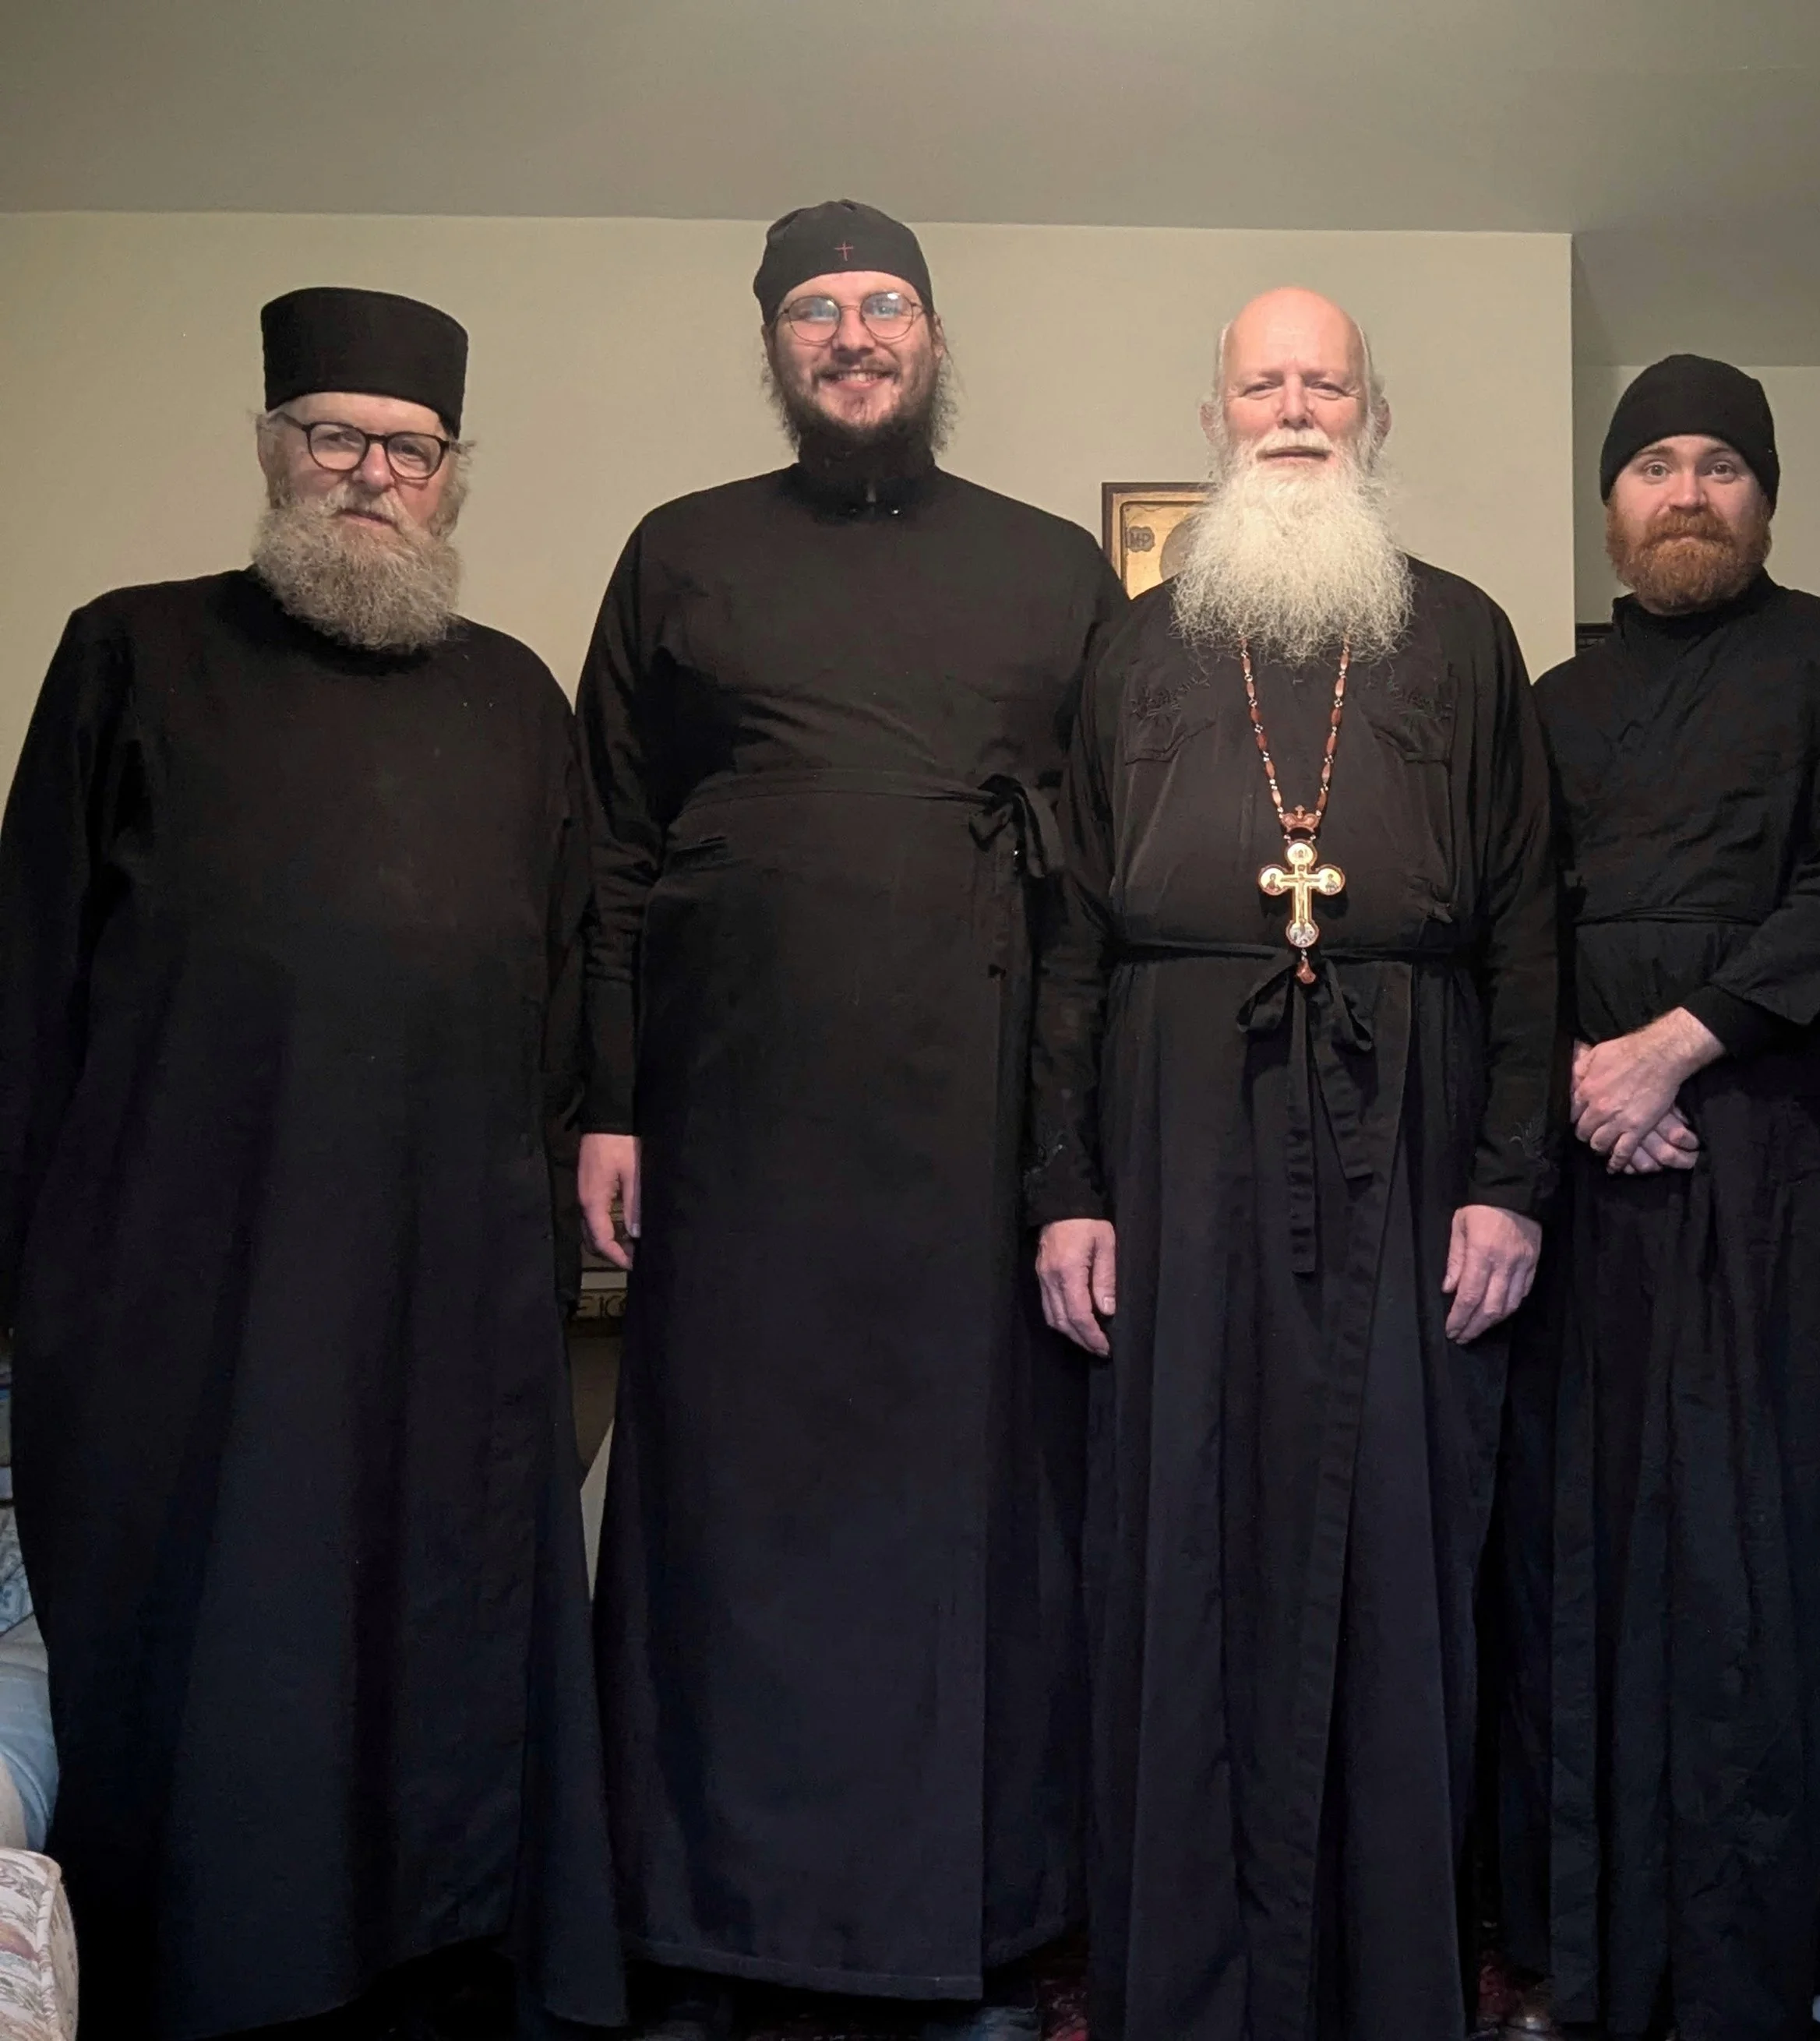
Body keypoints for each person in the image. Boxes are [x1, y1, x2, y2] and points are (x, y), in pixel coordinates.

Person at [0, 287, 622, 2039]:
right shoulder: (130, 649)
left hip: (448, 1273)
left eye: (407, 449)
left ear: (453, 479)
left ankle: (426, 1960)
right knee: (218, 1650)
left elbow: (568, 984)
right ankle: (213, 1967)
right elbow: (30, 970)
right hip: (178, 1275)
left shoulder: (514, 698)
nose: (370, 473)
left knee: (426, 1635)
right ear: (271, 451)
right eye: (333, 437)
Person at [576, 202, 1125, 2041]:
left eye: (882, 301)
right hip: (730, 1120)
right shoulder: (678, 553)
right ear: (775, 346)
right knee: (726, 1512)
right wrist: (607, 1100)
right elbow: (609, 847)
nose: (852, 332)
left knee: (960, 1521)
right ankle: (707, 1929)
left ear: (932, 332)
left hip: (963, 1124)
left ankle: (965, 1925)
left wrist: (1071, 1163)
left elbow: (1098, 895)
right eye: (813, 309)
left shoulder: (1053, 569)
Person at [1030, 286, 1560, 2041]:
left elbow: (1527, 933)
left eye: (1323, 379)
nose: (1292, 407)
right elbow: (1067, 944)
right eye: (1260, 380)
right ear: (1213, 414)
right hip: (1174, 1107)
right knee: (1177, 1521)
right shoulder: (1129, 648)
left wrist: (1509, 1176)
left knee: (1403, 1524)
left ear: (1372, 414)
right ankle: (1185, 1984)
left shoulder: (1463, 637)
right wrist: (1064, 1184)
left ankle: (1388, 1981)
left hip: (1412, 1112)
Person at [1497, 355, 1820, 2041]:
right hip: (1584, 1150)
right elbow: (1510, 923)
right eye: (1653, 465)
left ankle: (1733, 1975)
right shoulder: (1548, 703)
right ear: (1609, 502)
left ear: (1764, 497)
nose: (1685, 491)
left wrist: (1668, 1054)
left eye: (1718, 467)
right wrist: (1580, 1082)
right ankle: (1579, 1952)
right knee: (1574, 1532)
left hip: (1755, 1140)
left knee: (1731, 1530)